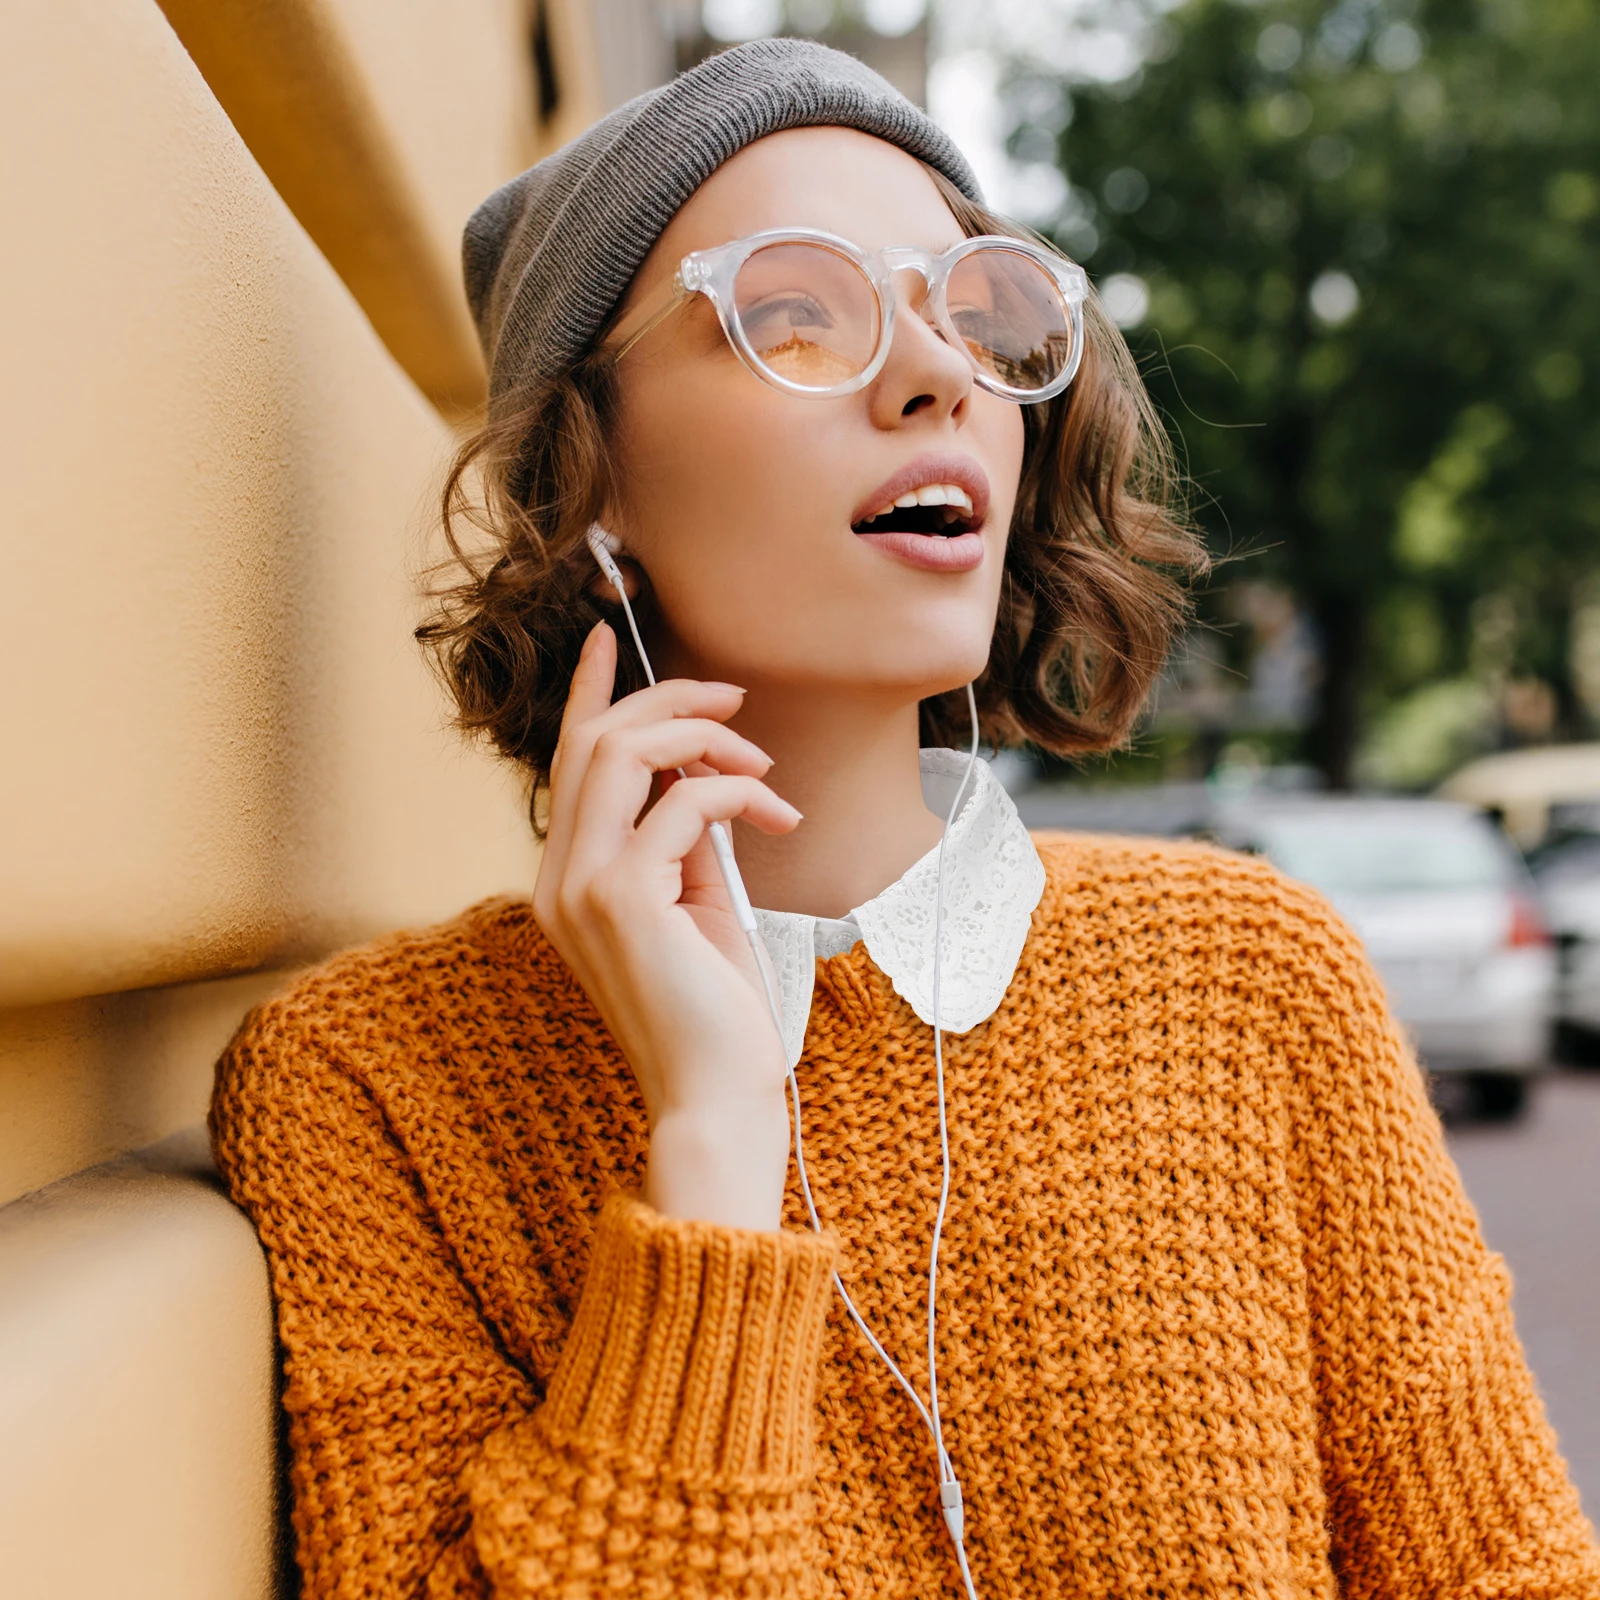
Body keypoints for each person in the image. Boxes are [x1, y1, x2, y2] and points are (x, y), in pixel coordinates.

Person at [210, 38, 1600, 1600]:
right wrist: (715, 1143)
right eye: (794, 315)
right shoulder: (372, 1092)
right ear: (585, 477)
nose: (937, 374)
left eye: (975, 313)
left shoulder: (1254, 983)